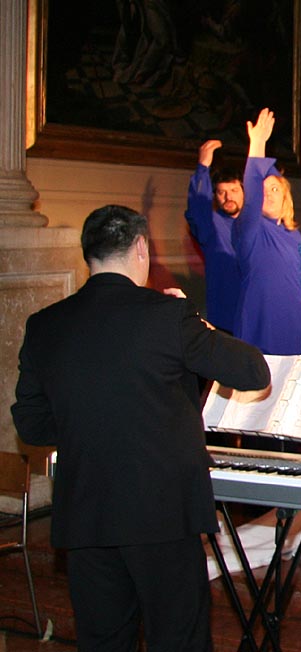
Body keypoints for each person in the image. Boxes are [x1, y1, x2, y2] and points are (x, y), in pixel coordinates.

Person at [11, 204, 270, 652]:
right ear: (141, 248)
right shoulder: (168, 316)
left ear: (88, 255)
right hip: (162, 514)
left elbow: (31, 424)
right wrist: (196, 322)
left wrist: (89, 423)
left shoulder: (44, 325)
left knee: (104, 642)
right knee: (177, 640)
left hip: (86, 516)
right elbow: (252, 371)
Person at [233, 108, 301, 356]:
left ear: (285, 196)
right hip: (263, 325)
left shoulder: (293, 236)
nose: (269, 194)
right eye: (263, 190)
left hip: (295, 325)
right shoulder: (251, 229)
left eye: (275, 189)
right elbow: (251, 198)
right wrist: (257, 145)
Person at [184, 139, 242, 332]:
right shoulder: (212, 225)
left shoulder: (258, 226)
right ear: (215, 196)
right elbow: (197, 209)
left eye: (234, 190)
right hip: (226, 320)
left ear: (244, 191)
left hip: (258, 317)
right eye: (221, 192)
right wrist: (203, 167)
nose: (228, 197)